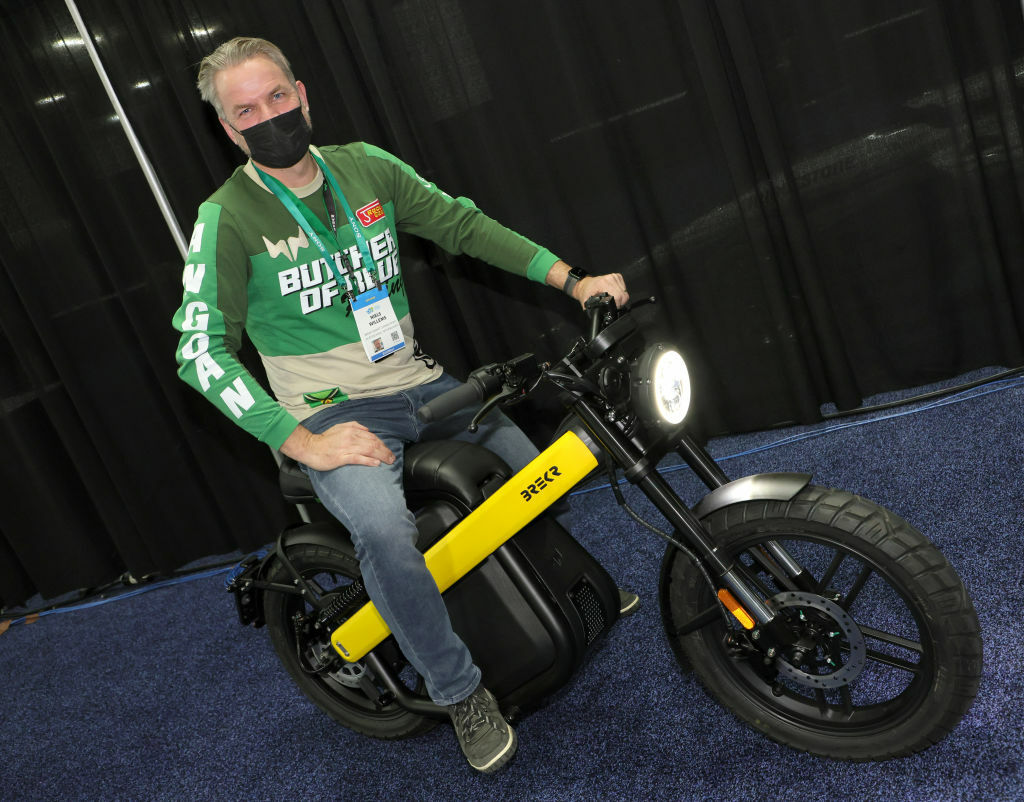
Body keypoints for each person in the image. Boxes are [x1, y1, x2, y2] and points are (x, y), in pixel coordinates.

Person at [173, 36, 634, 774]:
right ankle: (460, 693)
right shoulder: (227, 218)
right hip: (327, 412)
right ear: (229, 130)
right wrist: (301, 440)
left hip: (418, 381)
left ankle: (563, 591)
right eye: (245, 110)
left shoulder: (366, 167)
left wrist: (573, 280)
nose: (268, 117)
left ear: (303, 93)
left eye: (277, 97)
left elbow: (464, 226)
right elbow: (198, 352)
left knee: (536, 469)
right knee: (387, 532)